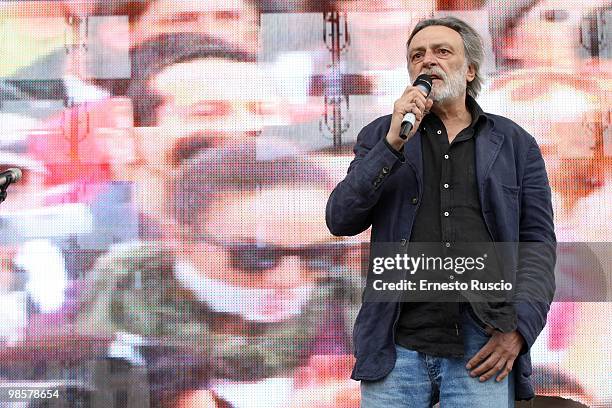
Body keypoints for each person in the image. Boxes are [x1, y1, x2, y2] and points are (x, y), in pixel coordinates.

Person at [326, 16, 556, 407]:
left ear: (469, 70)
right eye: (417, 55)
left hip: (482, 344)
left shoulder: (515, 144)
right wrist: (392, 144)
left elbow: (537, 245)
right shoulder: (382, 135)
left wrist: (519, 329)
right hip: (395, 346)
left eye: (441, 51)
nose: (427, 61)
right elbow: (341, 218)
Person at [74, 140, 361, 407]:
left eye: (320, 255)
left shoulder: (353, 307)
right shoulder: (100, 314)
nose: (288, 279)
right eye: (256, 256)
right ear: (180, 239)